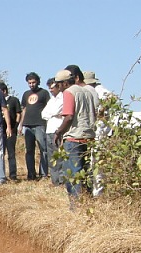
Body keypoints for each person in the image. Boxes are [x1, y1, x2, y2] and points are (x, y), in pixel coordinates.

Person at [54, 66, 99, 205]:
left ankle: (76, 205)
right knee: (86, 172)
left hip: (74, 138)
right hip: (89, 137)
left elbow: (68, 117)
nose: (59, 88)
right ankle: (88, 203)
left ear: (65, 83)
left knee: (73, 174)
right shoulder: (88, 91)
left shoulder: (69, 92)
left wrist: (59, 132)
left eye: (59, 85)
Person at [19, 72, 51, 181]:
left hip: (40, 124)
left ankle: (43, 174)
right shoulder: (26, 94)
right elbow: (24, 109)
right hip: (27, 125)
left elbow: (49, 107)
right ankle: (31, 174)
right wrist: (20, 124)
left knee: (43, 149)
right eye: (29, 83)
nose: (31, 85)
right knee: (29, 151)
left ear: (37, 82)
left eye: (33, 82)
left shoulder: (44, 93)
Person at [41, 77, 65, 186]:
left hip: (58, 129)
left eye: (52, 87)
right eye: (49, 88)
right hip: (49, 130)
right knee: (52, 157)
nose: (51, 90)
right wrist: (53, 114)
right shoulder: (51, 100)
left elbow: (55, 111)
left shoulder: (63, 98)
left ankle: (61, 180)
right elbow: (43, 114)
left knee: (59, 156)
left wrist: (53, 113)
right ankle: (55, 181)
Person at [0, 82, 21, 181]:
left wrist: (15, 126)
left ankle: (13, 175)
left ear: (4, 91)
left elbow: (18, 114)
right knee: (0, 153)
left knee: (11, 153)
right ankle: (1, 175)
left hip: (11, 130)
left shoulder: (14, 100)